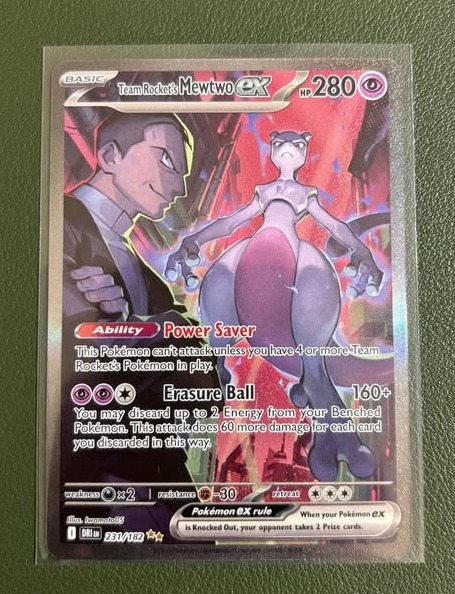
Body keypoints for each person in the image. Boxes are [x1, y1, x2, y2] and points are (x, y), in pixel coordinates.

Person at [166, 130, 383, 482]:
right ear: (273, 151)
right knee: (218, 298)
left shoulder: (305, 194)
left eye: (297, 146)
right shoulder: (263, 192)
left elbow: (334, 225)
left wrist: (361, 250)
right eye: (281, 145)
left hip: (293, 261)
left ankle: (335, 431)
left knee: (314, 363)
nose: (288, 151)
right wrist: (194, 239)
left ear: (304, 153)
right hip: (250, 262)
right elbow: (230, 223)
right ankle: (202, 393)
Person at [61, 112, 221, 538]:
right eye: (166, 160)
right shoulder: (56, 224)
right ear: (110, 156)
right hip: (85, 484)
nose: (179, 188)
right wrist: (162, 334)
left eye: (182, 173)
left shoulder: (149, 280)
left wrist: (137, 328)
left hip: (158, 484)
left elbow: (205, 390)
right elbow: (67, 349)